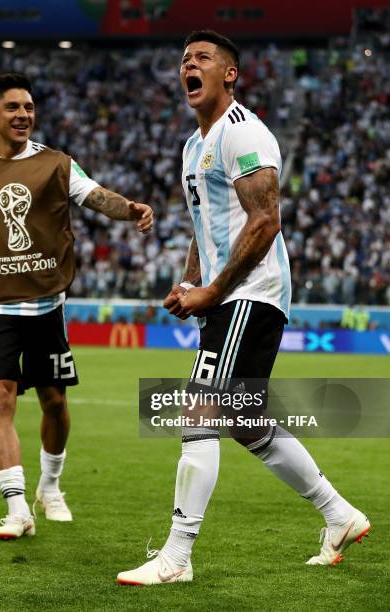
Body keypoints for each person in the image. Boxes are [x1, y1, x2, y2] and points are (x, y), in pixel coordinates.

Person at [117, 31, 369, 585]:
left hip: (251, 294)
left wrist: (214, 290)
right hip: (228, 296)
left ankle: (177, 557)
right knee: (246, 424)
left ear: (229, 73)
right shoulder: (193, 146)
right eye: (185, 60)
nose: (190, 65)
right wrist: (190, 282)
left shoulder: (243, 132)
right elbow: (207, 225)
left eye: (202, 58)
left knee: (199, 410)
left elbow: (264, 220)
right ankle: (339, 515)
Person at [0, 73, 153, 541]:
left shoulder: (57, 164)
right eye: (12, 107)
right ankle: (16, 508)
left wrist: (129, 209)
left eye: (28, 107)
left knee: (54, 401)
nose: (23, 114)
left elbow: (96, 196)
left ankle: (50, 486)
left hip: (46, 307)